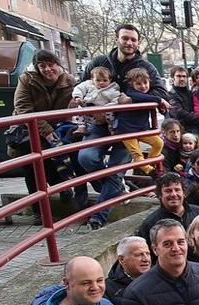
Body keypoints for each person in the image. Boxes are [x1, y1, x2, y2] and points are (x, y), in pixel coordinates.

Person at [76, 24, 170, 230]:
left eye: (133, 40)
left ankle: (98, 218)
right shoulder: (100, 63)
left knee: (116, 169)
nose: (129, 43)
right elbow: (82, 89)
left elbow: (162, 95)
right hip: (101, 123)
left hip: (131, 127)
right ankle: (118, 188)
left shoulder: (146, 67)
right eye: (125, 38)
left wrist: (132, 99)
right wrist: (90, 109)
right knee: (86, 158)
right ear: (117, 39)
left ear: (138, 43)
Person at [10, 50, 86, 223]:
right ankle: (40, 211)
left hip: (57, 129)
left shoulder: (69, 82)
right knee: (33, 170)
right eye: (42, 66)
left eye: (50, 65)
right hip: (30, 131)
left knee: (56, 163)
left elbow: (75, 106)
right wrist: (46, 131)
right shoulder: (27, 80)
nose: (47, 69)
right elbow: (22, 108)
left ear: (58, 65)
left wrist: (74, 112)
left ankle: (63, 189)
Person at [137, 172, 199, 243]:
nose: (173, 194)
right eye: (168, 191)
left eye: (177, 190)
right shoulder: (150, 224)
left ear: (184, 193)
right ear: (160, 196)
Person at [106, 236, 152, 305]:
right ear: (122, 259)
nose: (146, 259)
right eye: (138, 255)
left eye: (148, 254)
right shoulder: (108, 289)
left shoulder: (163, 276)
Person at [167, 66, 199, 138]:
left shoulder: (191, 93)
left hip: (196, 125)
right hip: (181, 128)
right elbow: (179, 113)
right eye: (179, 76)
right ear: (173, 78)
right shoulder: (170, 95)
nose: (182, 79)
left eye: (184, 76)